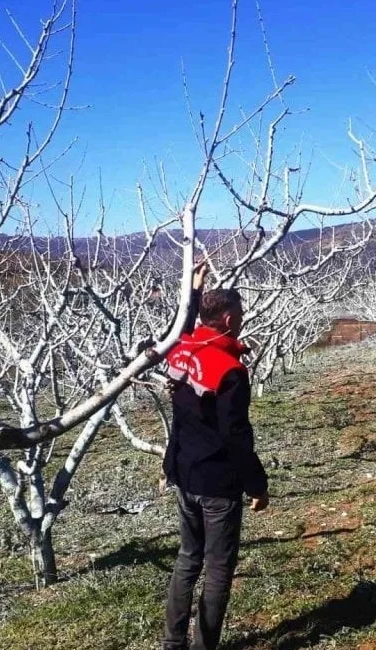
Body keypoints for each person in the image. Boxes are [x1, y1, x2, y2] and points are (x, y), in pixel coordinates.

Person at [161, 263, 270, 650]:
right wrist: (257, 484)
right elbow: (235, 434)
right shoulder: (230, 370)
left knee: (188, 558)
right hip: (217, 482)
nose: (241, 323)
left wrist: (192, 294)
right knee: (219, 567)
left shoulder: (181, 350)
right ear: (228, 318)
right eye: (238, 317)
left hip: (184, 472)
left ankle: (173, 642)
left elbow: (185, 327)